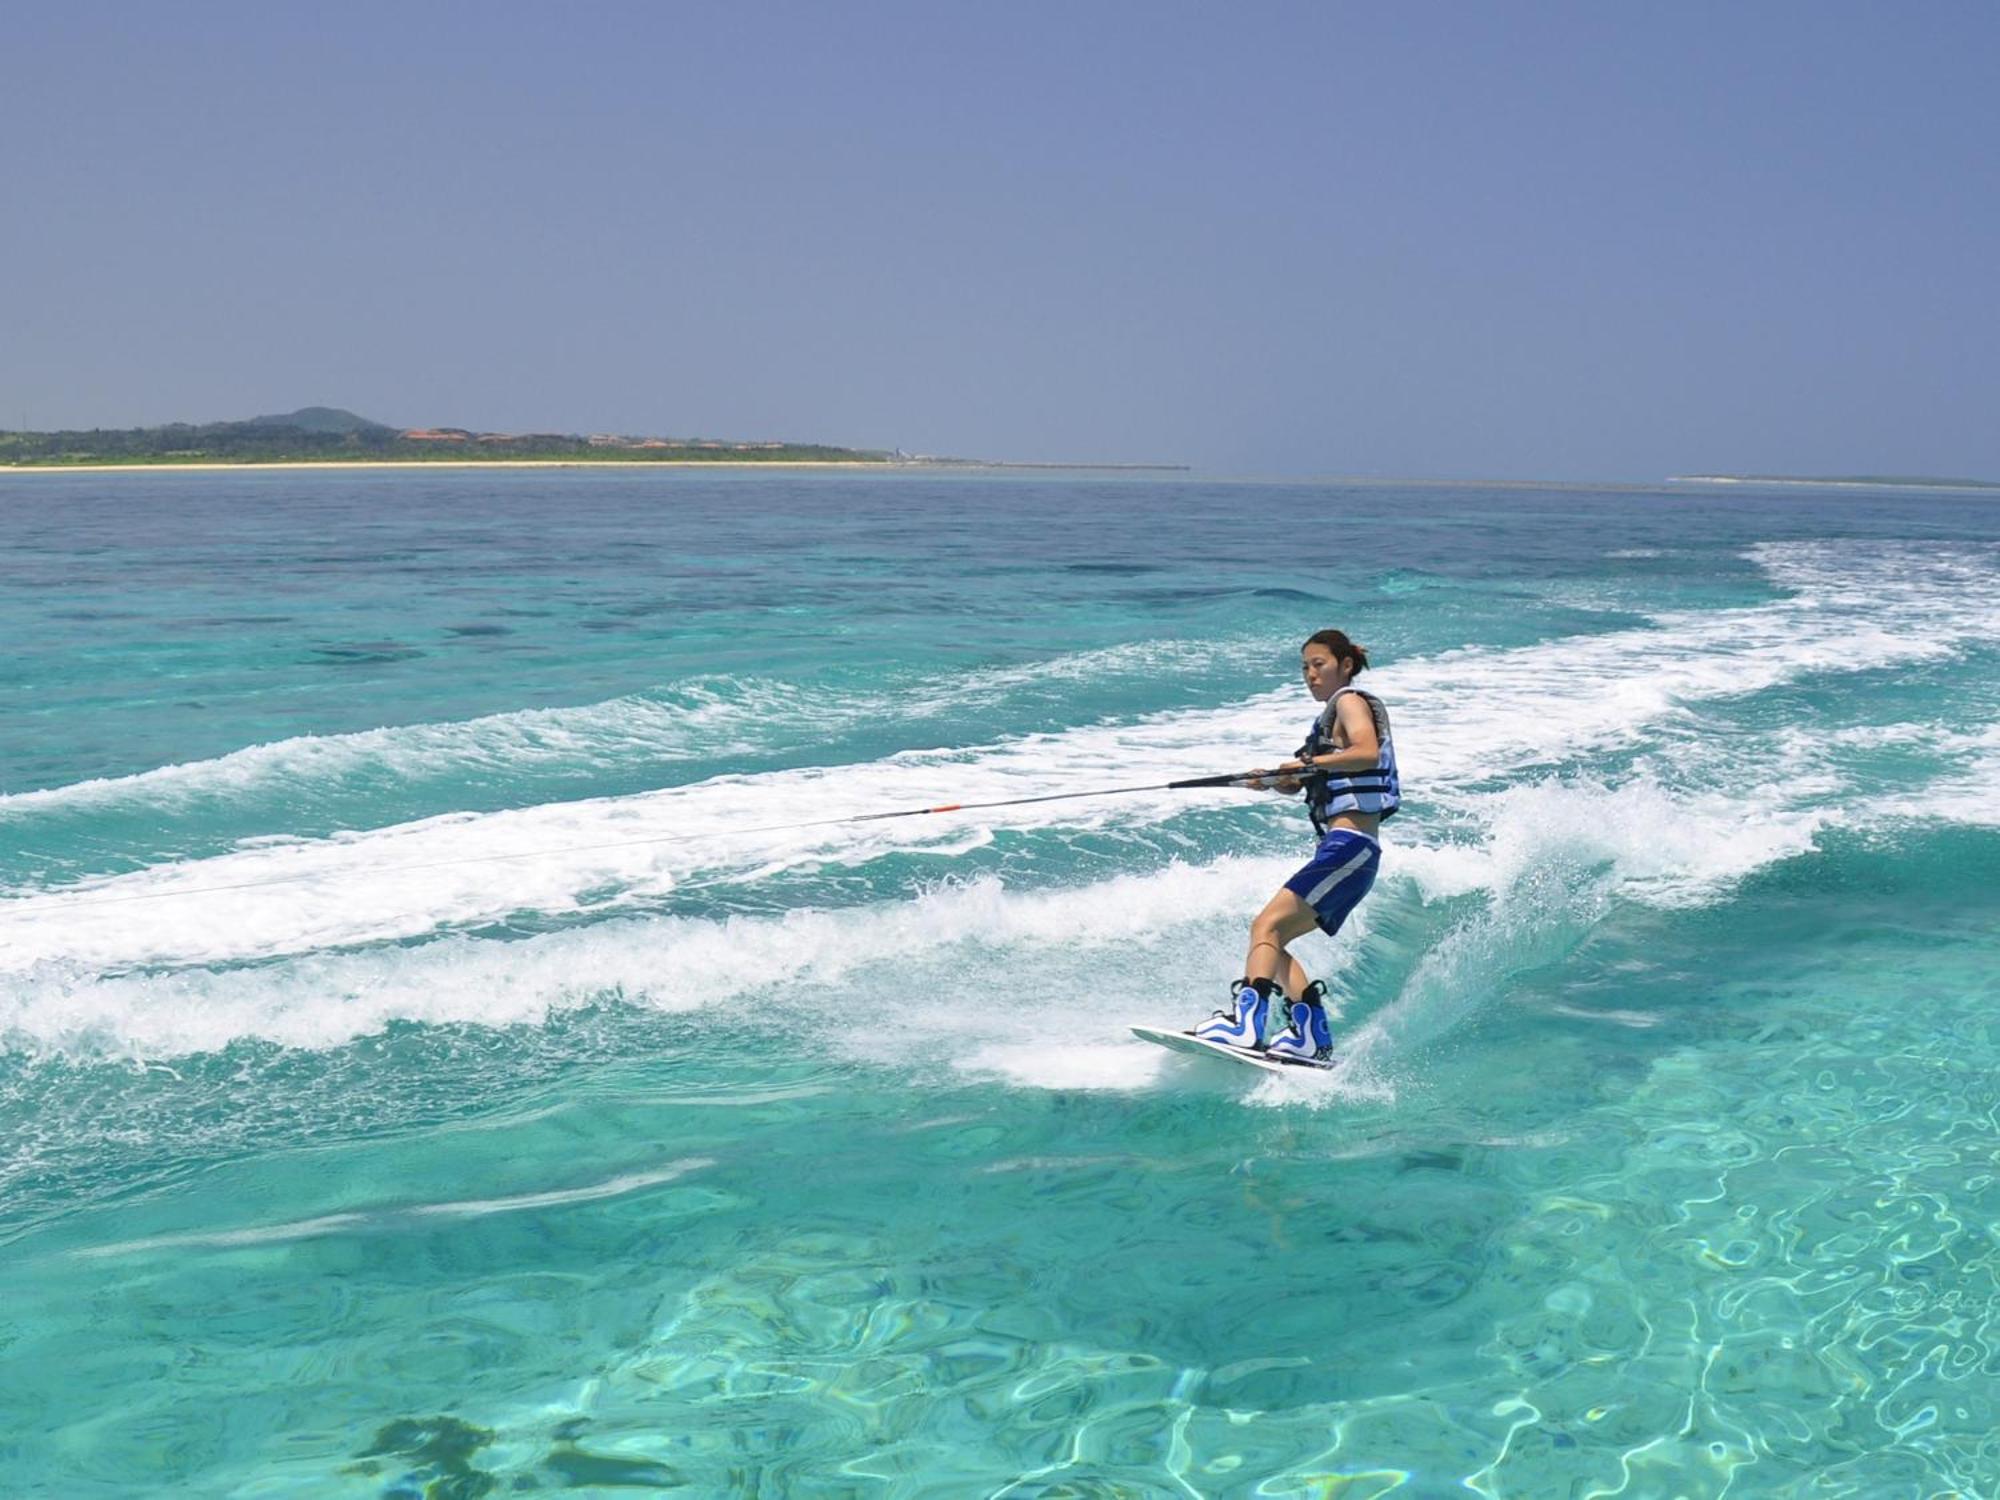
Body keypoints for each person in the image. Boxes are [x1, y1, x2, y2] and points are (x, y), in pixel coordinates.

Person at [1192, 629, 1400, 1062]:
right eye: (1305, 667)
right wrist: (1270, 780)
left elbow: (1365, 752)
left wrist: (1304, 764)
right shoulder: (1328, 721)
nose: (1310, 674)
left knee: (1264, 927)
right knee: (1273, 939)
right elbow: (1308, 777)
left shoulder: (1349, 701)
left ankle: (1246, 1025)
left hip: (1350, 847)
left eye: (1318, 664)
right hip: (1348, 853)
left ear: (1345, 665)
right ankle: (1308, 1034)